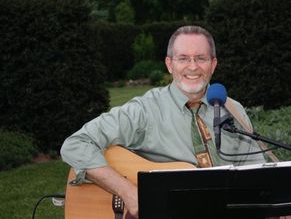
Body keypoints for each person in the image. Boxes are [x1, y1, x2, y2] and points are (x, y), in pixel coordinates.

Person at [60, 25, 266, 218]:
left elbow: (259, 176)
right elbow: (76, 145)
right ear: (169, 64)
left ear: (213, 65)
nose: (192, 67)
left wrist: (279, 204)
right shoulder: (144, 110)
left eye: (201, 58)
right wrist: (128, 192)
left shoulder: (232, 110)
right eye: (183, 58)